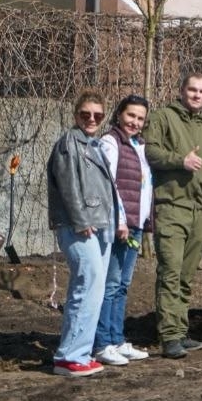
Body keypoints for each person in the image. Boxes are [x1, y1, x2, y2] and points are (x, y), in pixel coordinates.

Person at [144, 73, 202, 360]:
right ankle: (168, 336)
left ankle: (180, 330)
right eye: (192, 89)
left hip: (200, 212)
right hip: (172, 207)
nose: (197, 95)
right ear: (182, 91)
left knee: (186, 276)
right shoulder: (163, 118)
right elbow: (150, 152)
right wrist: (181, 160)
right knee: (170, 272)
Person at [47, 91, 120, 377]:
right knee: (87, 284)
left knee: (94, 287)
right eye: (85, 114)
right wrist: (80, 220)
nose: (91, 119)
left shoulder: (92, 145)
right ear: (75, 114)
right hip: (80, 225)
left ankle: (80, 352)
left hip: (99, 224)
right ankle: (69, 356)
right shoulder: (69, 143)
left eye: (98, 115)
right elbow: (67, 186)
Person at [93, 94, 153, 366]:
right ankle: (102, 343)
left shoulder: (139, 145)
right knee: (111, 284)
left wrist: (143, 221)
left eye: (140, 118)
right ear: (119, 114)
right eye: (130, 115)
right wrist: (119, 220)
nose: (135, 122)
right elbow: (110, 185)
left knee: (123, 285)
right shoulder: (111, 142)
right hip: (120, 225)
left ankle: (117, 339)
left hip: (135, 225)